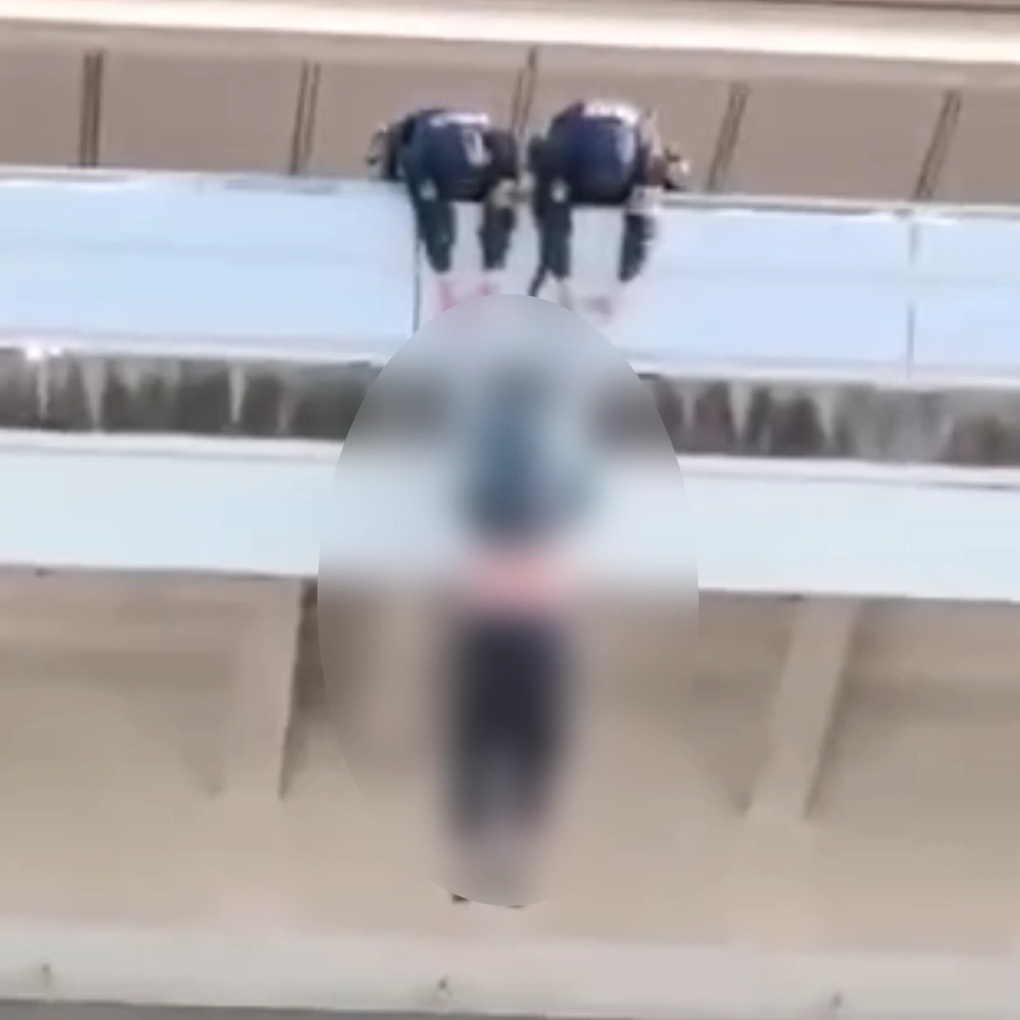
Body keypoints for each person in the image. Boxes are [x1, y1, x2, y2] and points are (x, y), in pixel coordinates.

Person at [445, 364, 593, 908]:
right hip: (530, 626)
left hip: (494, 622)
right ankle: (498, 863)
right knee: (522, 749)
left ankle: (480, 863)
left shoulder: (492, 474)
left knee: (484, 747)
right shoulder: (543, 476)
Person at [527, 100, 690, 319]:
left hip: (576, 152)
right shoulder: (643, 133)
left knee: (553, 204)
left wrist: (561, 279)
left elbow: (549, 214)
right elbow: (644, 221)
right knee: (642, 209)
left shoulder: (567, 122)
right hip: (613, 160)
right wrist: (622, 286)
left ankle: (565, 285)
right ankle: (601, 290)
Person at [368, 108, 520, 311]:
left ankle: (445, 272)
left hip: (448, 172)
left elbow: (413, 170)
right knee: (498, 202)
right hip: (489, 163)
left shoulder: (419, 138)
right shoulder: (458, 120)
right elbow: (503, 141)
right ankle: (492, 266)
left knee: (430, 209)